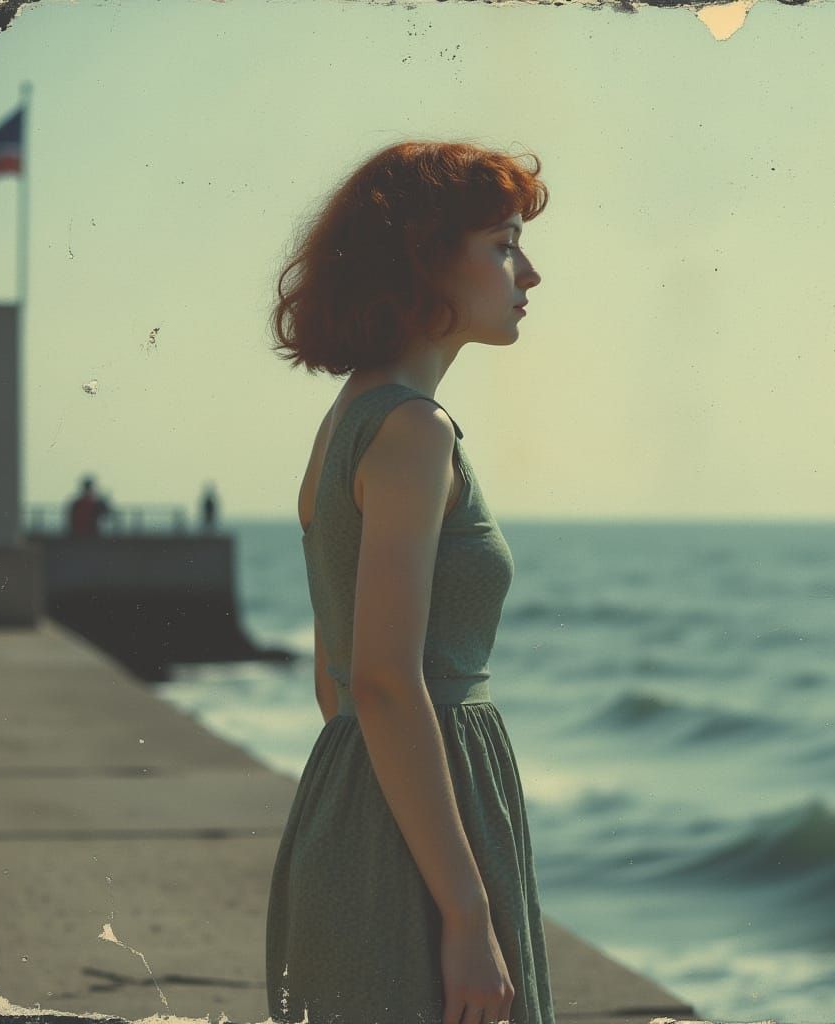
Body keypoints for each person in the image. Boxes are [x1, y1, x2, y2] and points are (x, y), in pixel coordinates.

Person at [264, 141, 552, 1024]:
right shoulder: (414, 431)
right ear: (428, 258)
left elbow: (336, 677)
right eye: (504, 243)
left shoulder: (347, 419)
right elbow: (385, 679)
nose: (529, 273)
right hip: (424, 839)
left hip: (362, 811)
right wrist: (464, 913)